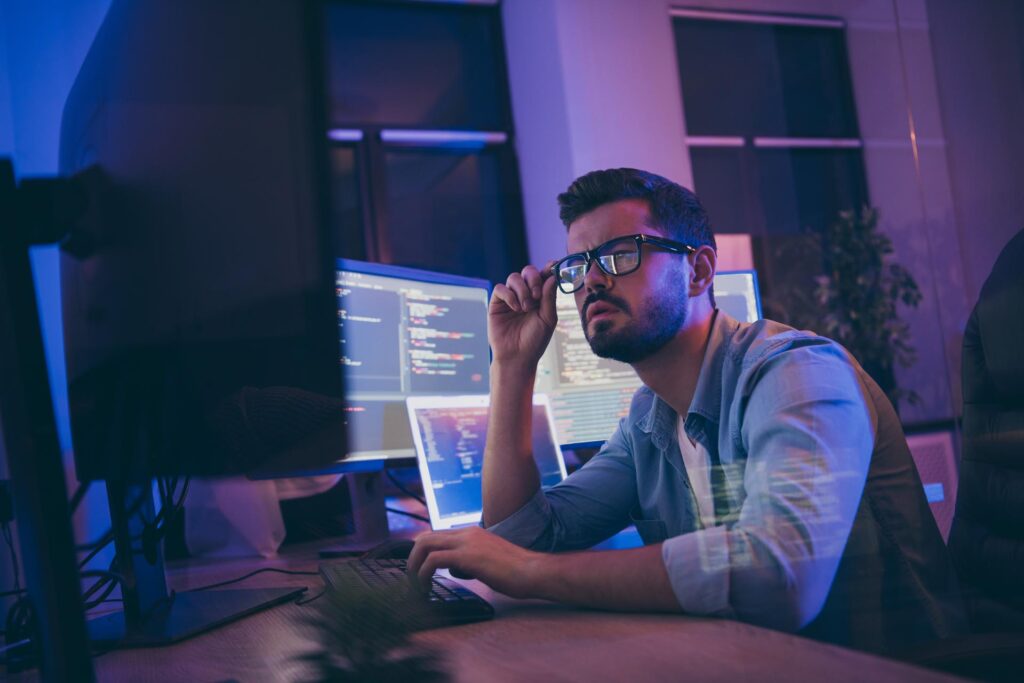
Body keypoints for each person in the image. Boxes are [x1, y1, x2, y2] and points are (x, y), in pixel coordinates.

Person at [407, 168, 964, 653]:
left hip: (881, 666)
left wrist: (530, 573)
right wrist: (511, 364)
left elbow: (782, 577)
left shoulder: (797, 372)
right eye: (580, 265)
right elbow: (520, 536)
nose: (593, 279)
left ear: (698, 272)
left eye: (621, 254)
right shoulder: (650, 421)